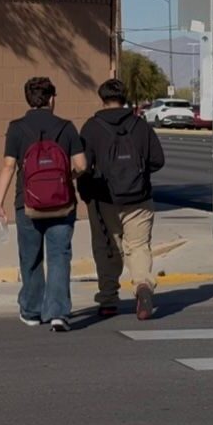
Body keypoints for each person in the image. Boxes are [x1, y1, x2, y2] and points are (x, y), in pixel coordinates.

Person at [0, 77, 86, 332]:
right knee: (59, 256)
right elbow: (82, 165)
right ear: (52, 99)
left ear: (28, 99)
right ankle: (58, 313)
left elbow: (8, 167)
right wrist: (67, 178)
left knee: (30, 257)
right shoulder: (66, 127)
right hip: (62, 203)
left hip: (27, 203)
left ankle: (32, 311)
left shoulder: (16, 128)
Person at [78, 79, 165, 320]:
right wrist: (137, 173)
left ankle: (108, 299)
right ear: (125, 98)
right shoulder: (140, 126)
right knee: (138, 246)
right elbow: (158, 160)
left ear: (102, 99)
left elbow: (82, 164)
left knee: (107, 247)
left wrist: (86, 191)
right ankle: (143, 286)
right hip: (139, 197)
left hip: (103, 199)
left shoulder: (92, 127)